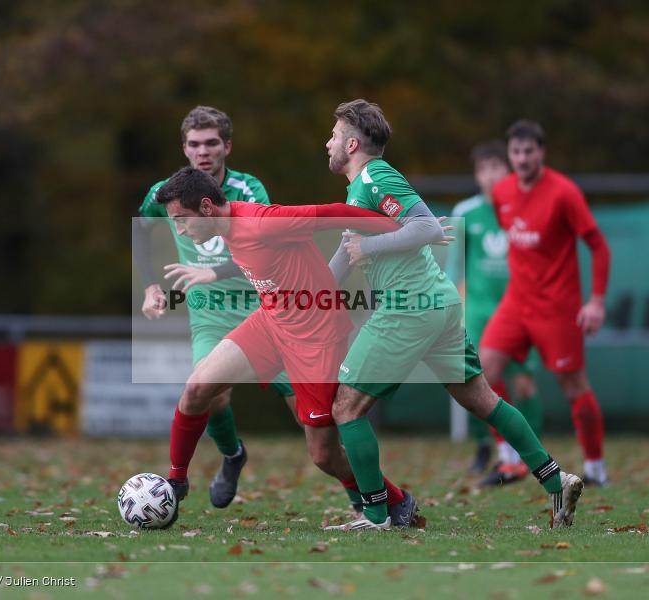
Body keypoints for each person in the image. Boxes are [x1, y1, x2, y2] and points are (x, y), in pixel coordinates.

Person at [325, 100, 583, 530]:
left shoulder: (375, 176)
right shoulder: (360, 190)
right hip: (437, 305)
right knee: (483, 400)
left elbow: (426, 228)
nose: (327, 142)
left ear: (352, 144)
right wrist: (296, 296)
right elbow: (344, 258)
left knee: (346, 407)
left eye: (333, 135)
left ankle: (374, 515)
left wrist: (369, 247)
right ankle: (556, 479)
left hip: (409, 307)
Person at [153, 166, 427, 527]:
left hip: (316, 339)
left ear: (206, 208)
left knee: (324, 456)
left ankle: (396, 500)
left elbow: (334, 212)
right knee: (197, 388)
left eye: (182, 220)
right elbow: (254, 259)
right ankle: (175, 482)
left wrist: (404, 229)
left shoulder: (265, 221)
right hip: (270, 323)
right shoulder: (228, 227)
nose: (181, 230)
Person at [136, 106, 297, 508]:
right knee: (210, 393)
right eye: (194, 144)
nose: (202, 151)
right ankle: (232, 455)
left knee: (309, 412)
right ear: (184, 148)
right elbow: (142, 229)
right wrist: (150, 286)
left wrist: (214, 271)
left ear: (226, 146)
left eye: (211, 143)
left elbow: (266, 244)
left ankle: (363, 495)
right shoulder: (167, 193)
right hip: (209, 313)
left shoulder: (248, 190)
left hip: (263, 307)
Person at [481, 120, 611, 486]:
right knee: (482, 371)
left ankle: (596, 468)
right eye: (516, 152)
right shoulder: (503, 191)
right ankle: (509, 459)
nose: (522, 159)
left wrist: (596, 302)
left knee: (573, 385)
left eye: (529, 151)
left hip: (557, 307)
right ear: (509, 154)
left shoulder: (564, 192)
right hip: (516, 303)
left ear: (542, 152)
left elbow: (599, 246)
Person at [448, 141, 544, 484]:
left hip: (520, 309)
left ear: (509, 170)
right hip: (478, 311)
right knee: (480, 381)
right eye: (482, 170)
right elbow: (455, 268)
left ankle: (531, 455)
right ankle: (497, 452)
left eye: (496, 168)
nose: (489, 176)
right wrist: (454, 309)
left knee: (525, 384)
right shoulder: (465, 212)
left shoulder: (525, 208)